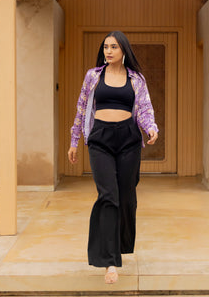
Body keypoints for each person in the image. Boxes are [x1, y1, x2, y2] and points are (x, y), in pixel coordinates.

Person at [68, 30, 158, 284]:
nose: (108, 51)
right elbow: (82, 108)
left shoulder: (136, 79)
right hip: (100, 140)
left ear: (123, 51)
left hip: (128, 139)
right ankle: (109, 261)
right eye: (106, 46)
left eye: (114, 47)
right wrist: (75, 140)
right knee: (108, 196)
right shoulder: (93, 76)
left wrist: (151, 127)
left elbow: (144, 108)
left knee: (126, 196)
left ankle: (121, 244)